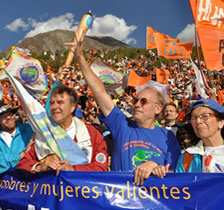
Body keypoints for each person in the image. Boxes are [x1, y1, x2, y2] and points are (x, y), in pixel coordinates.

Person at [68, 31, 180, 185]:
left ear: (158, 109)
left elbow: (173, 175)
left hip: (153, 203)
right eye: (136, 100)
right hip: (120, 200)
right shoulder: (122, 124)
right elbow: (100, 91)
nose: (136, 104)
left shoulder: (168, 138)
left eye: (144, 101)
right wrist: (80, 58)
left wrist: (155, 166)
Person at [17, 84, 108, 174]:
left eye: (60, 102)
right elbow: (23, 164)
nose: (54, 107)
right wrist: (40, 166)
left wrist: (73, 169)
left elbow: (101, 167)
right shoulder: (43, 133)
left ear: (72, 107)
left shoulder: (92, 134)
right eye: (52, 103)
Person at [176, 99, 224, 179]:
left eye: (205, 116)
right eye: (194, 118)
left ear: (220, 123)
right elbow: (181, 186)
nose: (198, 121)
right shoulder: (188, 157)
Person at [0, 101, 33, 177]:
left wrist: (5, 161)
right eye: (2, 116)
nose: (8, 117)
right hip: (7, 186)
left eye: (10, 113)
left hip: (31, 184)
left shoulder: (29, 130)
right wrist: (21, 155)